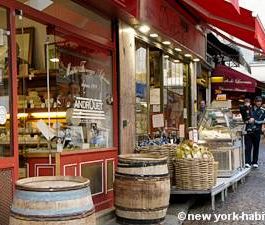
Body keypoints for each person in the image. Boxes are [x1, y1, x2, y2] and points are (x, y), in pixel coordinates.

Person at [242, 96, 265, 168]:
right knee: (248, 147)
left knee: (256, 147)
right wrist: (246, 120)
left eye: (260, 101)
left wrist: (255, 121)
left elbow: (263, 121)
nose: (259, 102)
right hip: (248, 130)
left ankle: (255, 162)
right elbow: (243, 115)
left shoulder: (263, 110)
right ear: (254, 102)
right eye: (257, 101)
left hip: (257, 131)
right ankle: (247, 162)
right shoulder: (249, 108)